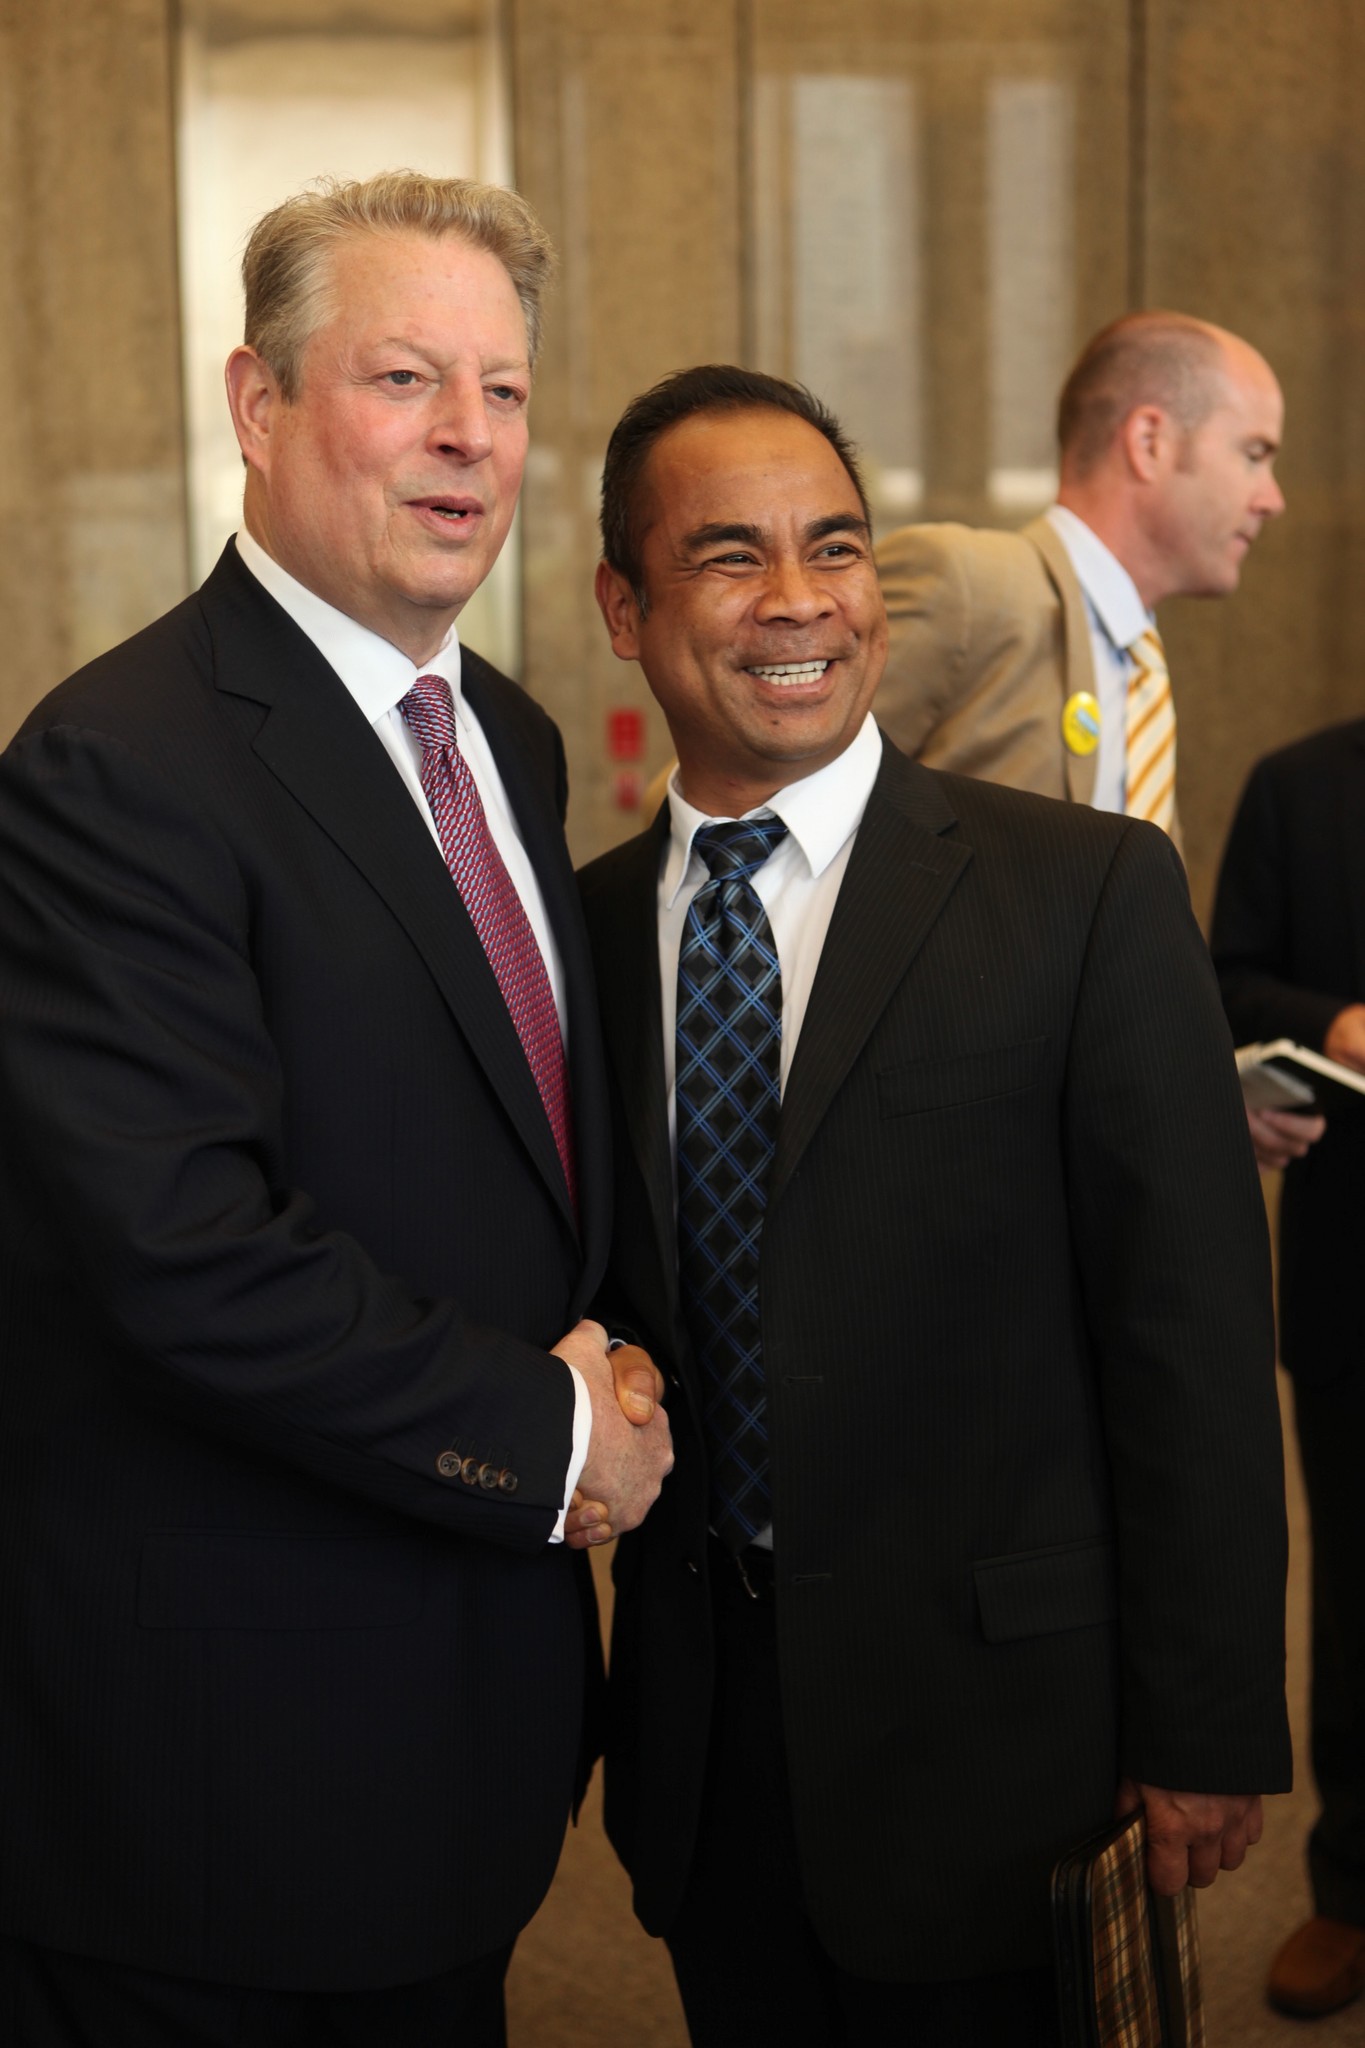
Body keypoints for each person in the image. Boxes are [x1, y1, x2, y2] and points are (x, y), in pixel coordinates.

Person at [0, 171, 672, 2047]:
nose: (471, 436)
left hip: (452, 1708)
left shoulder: (511, 738)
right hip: (220, 1770)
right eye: (404, 378)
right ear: (259, 403)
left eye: (508, 389)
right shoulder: (113, 770)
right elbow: (186, 1259)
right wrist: (549, 1428)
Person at [580, 362, 1292, 2046]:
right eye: (730, 556)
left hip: (1010, 1754)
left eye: (835, 546)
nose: (800, 601)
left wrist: (1205, 1719)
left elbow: (1187, 1339)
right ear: (625, 602)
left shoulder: (1087, 897)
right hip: (706, 1753)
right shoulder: (584, 933)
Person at [874, 311, 1285, 844]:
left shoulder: (1142, 668)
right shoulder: (971, 584)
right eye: (1253, 455)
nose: (1271, 500)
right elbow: (783, 797)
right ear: (1149, 442)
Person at [1212, 721, 1365, 2020]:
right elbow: (1227, 982)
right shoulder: (1299, 787)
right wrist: (1337, 1023)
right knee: (1359, 1601)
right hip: (1352, 1276)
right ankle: (1351, 1890)